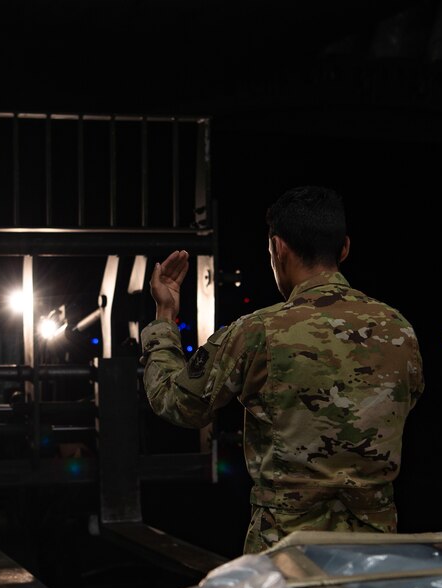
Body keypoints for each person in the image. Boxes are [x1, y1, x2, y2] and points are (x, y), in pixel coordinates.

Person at [140, 186, 424, 553]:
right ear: (344, 248)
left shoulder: (259, 331)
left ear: (278, 248)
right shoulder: (397, 328)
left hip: (286, 556)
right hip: (374, 554)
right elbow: (405, 403)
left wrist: (164, 317)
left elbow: (176, 401)